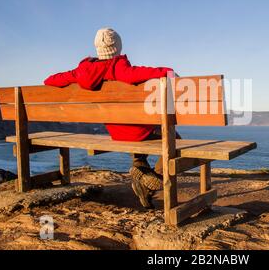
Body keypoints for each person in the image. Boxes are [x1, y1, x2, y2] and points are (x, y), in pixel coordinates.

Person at [44, 28, 175, 209]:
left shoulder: (82, 72)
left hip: (116, 132)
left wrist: (74, 76)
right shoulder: (123, 70)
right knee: (171, 135)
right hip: (138, 131)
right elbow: (167, 71)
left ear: (98, 48)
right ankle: (155, 178)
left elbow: (50, 80)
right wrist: (170, 73)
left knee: (136, 127)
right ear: (118, 48)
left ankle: (140, 169)